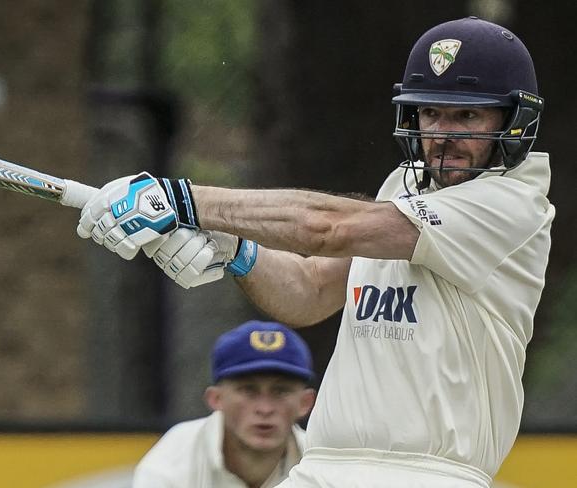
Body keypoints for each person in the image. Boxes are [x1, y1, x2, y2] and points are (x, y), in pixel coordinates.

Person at [78, 17, 554, 488]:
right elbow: (309, 290)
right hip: (321, 468)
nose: (443, 135)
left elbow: (326, 228)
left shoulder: (513, 205)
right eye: (430, 113)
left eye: (467, 116)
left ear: (514, 121)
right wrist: (238, 252)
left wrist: (184, 200)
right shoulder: (405, 192)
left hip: (429, 473)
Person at [131, 320, 316, 488]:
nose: (265, 409)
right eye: (248, 390)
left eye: (281, 391)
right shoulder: (171, 461)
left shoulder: (322, 460)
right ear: (216, 399)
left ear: (305, 403)